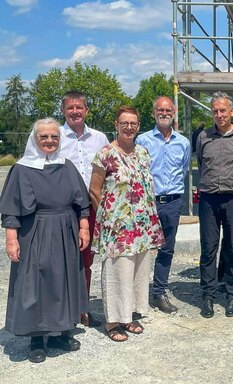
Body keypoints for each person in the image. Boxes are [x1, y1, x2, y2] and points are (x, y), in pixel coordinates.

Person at [0, 118, 90, 363]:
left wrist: (84, 227)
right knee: (36, 283)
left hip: (65, 230)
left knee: (63, 281)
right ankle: (37, 337)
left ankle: (61, 332)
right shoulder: (21, 168)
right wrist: (11, 239)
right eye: (44, 137)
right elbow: (10, 209)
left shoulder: (67, 166)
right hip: (34, 232)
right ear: (35, 139)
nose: (50, 141)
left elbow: (81, 201)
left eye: (54, 137)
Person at [90, 106, 165, 342]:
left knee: (137, 272)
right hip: (118, 227)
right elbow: (94, 190)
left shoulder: (143, 153)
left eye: (133, 123)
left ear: (138, 125)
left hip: (142, 226)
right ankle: (112, 321)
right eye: (124, 123)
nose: (129, 127)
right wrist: (109, 217)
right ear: (116, 125)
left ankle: (129, 315)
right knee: (117, 272)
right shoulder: (105, 154)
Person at [196, 91, 233, 318]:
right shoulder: (203, 137)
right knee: (209, 249)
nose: (219, 115)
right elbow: (201, 164)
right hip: (209, 199)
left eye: (223, 110)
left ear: (232, 112)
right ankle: (208, 296)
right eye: (215, 111)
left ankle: (232, 294)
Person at [136, 96, 191, 314]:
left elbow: (184, 169)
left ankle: (159, 292)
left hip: (173, 202)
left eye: (168, 110)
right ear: (153, 113)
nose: (165, 113)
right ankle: (137, 294)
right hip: (148, 201)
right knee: (140, 248)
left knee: (166, 248)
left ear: (174, 112)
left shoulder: (183, 142)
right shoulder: (143, 141)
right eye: (160, 110)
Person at [59, 90, 109, 327]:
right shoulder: (54, 136)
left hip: (89, 207)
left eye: (79, 107)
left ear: (86, 110)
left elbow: (109, 171)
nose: (75, 111)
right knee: (59, 259)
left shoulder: (99, 139)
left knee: (85, 259)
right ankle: (60, 310)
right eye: (70, 108)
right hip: (60, 209)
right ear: (63, 111)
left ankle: (82, 308)